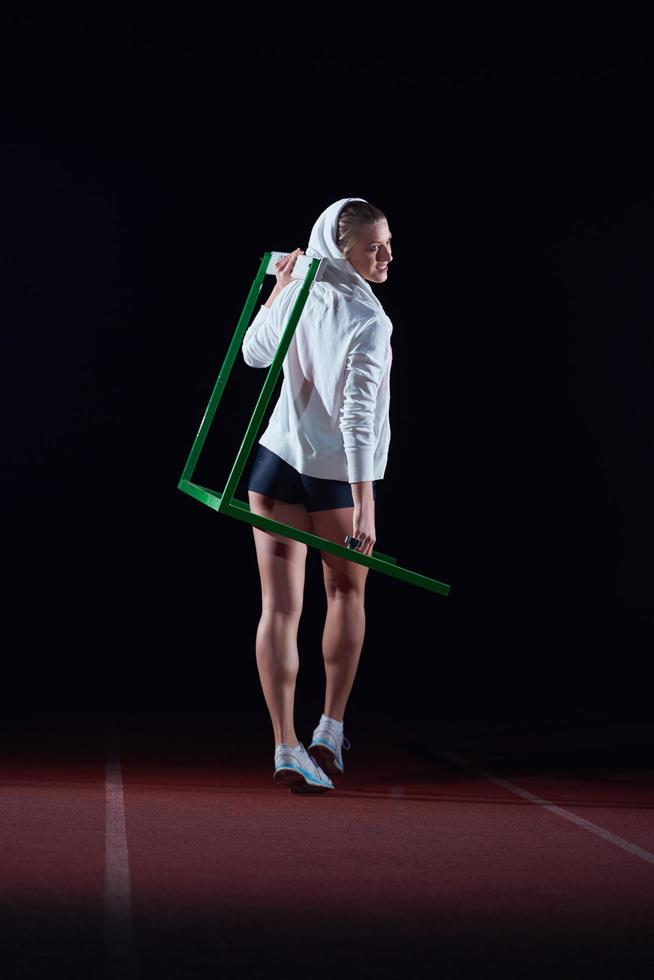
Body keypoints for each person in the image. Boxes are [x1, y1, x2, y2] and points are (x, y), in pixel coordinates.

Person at [241, 197, 393, 794]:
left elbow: (256, 353)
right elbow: (357, 417)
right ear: (344, 246)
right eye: (373, 246)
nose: (386, 256)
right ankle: (326, 729)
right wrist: (366, 502)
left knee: (280, 608)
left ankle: (289, 744)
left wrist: (278, 288)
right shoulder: (369, 320)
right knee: (344, 591)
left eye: (388, 242)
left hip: (274, 462)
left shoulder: (302, 279)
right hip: (331, 477)